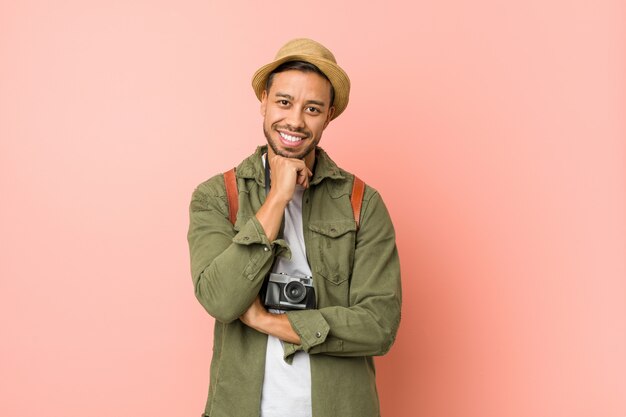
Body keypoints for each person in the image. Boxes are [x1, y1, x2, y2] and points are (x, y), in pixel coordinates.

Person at [187, 38, 401, 417]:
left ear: (329, 115)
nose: (296, 121)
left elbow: (378, 326)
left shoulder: (362, 203)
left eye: (313, 108)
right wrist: (278, 198)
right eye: (284, 102)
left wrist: (268, 321)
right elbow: (220, 300)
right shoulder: (219, 196)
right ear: (264, 100)